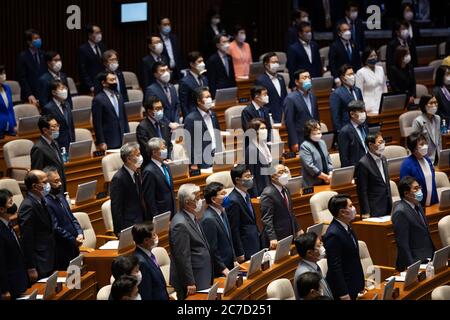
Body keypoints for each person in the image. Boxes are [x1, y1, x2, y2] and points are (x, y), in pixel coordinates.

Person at [169, 184, 215, 300]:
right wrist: (190, 282)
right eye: (197, 198)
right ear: (187, 202)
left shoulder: (191, 217)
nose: (200, 201)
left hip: (201, 274)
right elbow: (182, 257)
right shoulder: (180, 224)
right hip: (193, 280)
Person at [323, 194, 365, 300]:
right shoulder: (333, 234)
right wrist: (343, 293)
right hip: (344, 289)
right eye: (350, 206)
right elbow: (335, 267)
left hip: (353, 284)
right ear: (342, 212)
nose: (354, 208)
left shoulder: (347, 227)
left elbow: (353, 258)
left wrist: (360, 284)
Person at [19, 170, 56, 280]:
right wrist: (31, 267)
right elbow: (27, 239)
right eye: (44, 182)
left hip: (49, 255)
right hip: (40, 260)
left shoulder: (41, 200)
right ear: (35, 186)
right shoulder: (28, 207)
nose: (47, 185)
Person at [44, 167, 83, 270]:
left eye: (59, 180)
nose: (60, 184)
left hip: (74, 245)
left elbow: (72, 218)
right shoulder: (46, 203)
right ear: (47, 184)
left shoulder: (61, 197)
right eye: (56, 181)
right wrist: (72, 239)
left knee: (77, 279)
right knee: (68, 281)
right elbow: (56, 227)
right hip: (62, 248)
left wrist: (80, 233)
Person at [392, 176, 435, 271]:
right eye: (415, 188)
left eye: (419, 187)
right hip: (415, 261)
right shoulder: (400, 212)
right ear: (406, 193)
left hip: (427, 257)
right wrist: (412, 267)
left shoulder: (418, 205)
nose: (419, 190)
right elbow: (402, 243)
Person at [260, 164, 302, 249]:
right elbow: (267, 219)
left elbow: (291, 212)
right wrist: (272, 238)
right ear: (272, 177)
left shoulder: (286, 189)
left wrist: (298, 229)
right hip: (278, 236)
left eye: (285, 171)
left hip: (290, 232)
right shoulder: (267, 194)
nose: (285, 174)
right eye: (280, 172)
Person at [110, 143, 147, 234]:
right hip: (128, 225)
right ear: (128, 159)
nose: (140, 157)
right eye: (137, 155)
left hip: (140, 221)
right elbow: (116, 208)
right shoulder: (118, 178)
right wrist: (120, 231)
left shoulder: (136, 173)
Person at [226, 165, 261, 262]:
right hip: (245, 247)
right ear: (237, 180)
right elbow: (234, 229)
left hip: (254, 240)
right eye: (247, 176)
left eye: (251, 176)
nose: (250, 179)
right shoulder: (233, 200)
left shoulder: (246, 194)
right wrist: (239, 252)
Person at [201, 182, 236, 276]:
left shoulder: (222, 211)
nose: (226, 196)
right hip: (220, 270)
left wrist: (234, 260)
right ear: (213, 199)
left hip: (229, 264)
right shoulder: (208, 219)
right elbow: (212, 249)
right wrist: (222, 268)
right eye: (223, 194)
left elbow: (229, 239)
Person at [0, 189, 28, 300]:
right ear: (1, 209)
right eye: (10, 202)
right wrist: (4, 289)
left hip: (18, 280)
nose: (14, 205)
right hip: (9, 286)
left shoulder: (8, 224)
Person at [355, 132, 392, 217]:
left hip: (388, 205)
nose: (383, 144)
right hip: (374, 208)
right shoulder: (363, 163)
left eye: (383, 141)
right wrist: (366, 212)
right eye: (380, 142)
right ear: (371, 145)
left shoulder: (383, 158)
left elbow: (386, 184)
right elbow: (362, 190)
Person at [184, 87, 221, 169]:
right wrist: (194, 164)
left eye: (210, 96)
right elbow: (189, 143)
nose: (210, 99)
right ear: (199, 101)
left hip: (217, 156)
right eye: (207, 97)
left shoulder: (213, 115)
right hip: (203, 160)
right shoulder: (191, 119)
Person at [92, 71, 130, 151]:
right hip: (109, 139)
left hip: (123, 137)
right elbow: (97, 123)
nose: (115, 82)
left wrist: (127, 135)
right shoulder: (98, 99)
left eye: (115, 79)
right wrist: (101, 141)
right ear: (104, 83)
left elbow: (124, 117)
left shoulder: (119, 95)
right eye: (111, 80)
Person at [132, 223, 169, 300]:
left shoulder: (148, 254)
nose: (156, 237)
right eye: (154, 235)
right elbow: (146, 292)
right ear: (146, 240)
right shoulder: (141, 262)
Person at [284, 69, 320, 151]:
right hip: (300, 139)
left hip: (314, 137)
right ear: (297, 82)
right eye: (304, 78)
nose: (308, 80)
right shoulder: (290, 99)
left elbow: (316, 117)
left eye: (309, 77)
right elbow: (289, 122)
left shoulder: (313, 96)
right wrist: (294, 142)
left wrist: (318, 133)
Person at [400, 132, 438, 207]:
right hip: (418, 205)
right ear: (414, 149)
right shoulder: (407, 165)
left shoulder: (427, 160)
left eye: (425, 143)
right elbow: (405, 189)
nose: (425, 146)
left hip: (433, 202)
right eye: (421, 144)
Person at [31, 115, 67, 192]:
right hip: (50, 190)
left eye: (57, 125)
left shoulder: (55, 143)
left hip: (60, 185)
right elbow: (37, 174)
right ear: (45, 130)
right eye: (54, 126)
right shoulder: (38, 148)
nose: (57, 128)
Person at [142, 138, 176, 219]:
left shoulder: (166, 166)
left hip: (172, 210)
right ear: (154, 152)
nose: (166, 150)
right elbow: (149, 198)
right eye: (163, 148)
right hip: (160, 214)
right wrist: (156, 217)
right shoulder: (149, 171)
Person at [294, 232, 333, 299]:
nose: (322, 246)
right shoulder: (304, 274)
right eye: (318, 245)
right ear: (310, 253)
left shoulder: (314, 265)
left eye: (321, 243)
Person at [137, 96, 173, 166]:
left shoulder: (164, 124)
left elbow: (169, 144)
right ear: (149, 111)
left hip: (166, 162)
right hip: (152, 164)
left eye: (161, 108)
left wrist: (168, 157)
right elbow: (146, 150)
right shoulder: (142, 127)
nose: (161, 111)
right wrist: (160, 160)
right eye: (157, 108)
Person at [287, 21, 322, 89]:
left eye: (310, 31)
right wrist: (294, 85)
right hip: (301, 82)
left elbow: (318, 64)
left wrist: (319, 80)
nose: (309, 34)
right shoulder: (293, 48)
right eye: (306, 32)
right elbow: (292, 68)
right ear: (300, 34)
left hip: (315, 80)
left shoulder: (314, 45)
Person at [42, 80, 75, 151]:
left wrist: (73, 140)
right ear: (54, 92)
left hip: (71, 140)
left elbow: (71, 125)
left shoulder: (67, 104)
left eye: (65, 88)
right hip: (58, 143)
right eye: (61, 88)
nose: (65, 90)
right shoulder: (48, 108)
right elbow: (49, 129)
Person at [16, 29, 47, 105]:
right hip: (30, 95)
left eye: (39, 38)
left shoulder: (43, 54)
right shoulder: (22, 57)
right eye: (35, 39)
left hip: (43, 94)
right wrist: (29, 94)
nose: (39, 40)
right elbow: (22, 78)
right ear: (29, 42)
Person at [144, 62, 180, 126]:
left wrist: (176, 122)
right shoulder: (151, 90)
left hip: (175, 125)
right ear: (155, 74)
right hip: (161, 125)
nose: (166, 73)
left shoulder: (172, 87)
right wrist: (169, 124)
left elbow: (176, 107)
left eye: (167, 70)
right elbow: (154, 111)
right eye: (162, 71)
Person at [255, 52, 288, 123]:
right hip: (270, 117)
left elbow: (285, 97)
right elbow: (261, 102)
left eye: (277, 62)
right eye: (273, 62)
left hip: (284, 116)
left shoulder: (281, 78)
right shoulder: (260, 80)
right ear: (266, 65)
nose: (276, 64)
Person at [330, 64, 363, 132]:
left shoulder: (357, 90)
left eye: (353, 74)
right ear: (342, 78)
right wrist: (341, 133)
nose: (353, 76)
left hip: (360, 127)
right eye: (350, 74)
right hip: (347, 129)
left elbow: (362, 109)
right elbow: (335, 118)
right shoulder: (336, 94)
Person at [300, 120, 333, 187]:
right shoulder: (304, 146)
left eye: (319, 129)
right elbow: (310, 166)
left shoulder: (322, 142)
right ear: (308, 132)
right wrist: (326, 177)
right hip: (313, 183)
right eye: (315, 129)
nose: (318, 131)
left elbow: (328, 160)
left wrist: (330, 173)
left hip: (327, 180)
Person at [355, 47, 388, 114]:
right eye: (371, 56)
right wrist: (362, 108)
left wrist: (386, 101)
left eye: (375, 55)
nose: (374, 58)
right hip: (368, 106)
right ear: (365, 59)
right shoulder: (360, 72)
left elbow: (384, 87)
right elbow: (358, 93)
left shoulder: (380, 69)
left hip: (382, 104)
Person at [245, 119, 272, 197]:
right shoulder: (251, 150)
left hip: (268, 187)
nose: (265, 130)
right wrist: (256, 196)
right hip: (260, 192)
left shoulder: (264, 146)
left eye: (265, 128)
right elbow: (251, 175)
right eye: (262, 128)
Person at [338, 100, 368, 167]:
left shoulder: (364, 127)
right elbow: (344, 158)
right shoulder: (345, 131)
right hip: (356, 169)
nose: (364, 114)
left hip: (368, 165)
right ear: (352, 114)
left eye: (364, 111)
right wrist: (348, 175)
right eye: (361, 111)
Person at [412, 95, 442, 164]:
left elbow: (439, 140)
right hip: (425, 159)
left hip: (438, 157)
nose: (434, 105)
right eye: (431, 103)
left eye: (435, 102)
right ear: (424, 106)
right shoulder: (418, 121)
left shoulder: (438, 118)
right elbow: (414, 143)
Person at [206, 33, 236, 98]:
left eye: (228, 41)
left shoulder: (230, 57)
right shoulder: (212, 60)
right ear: (217, 45)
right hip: (219, 93)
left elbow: (232, 77)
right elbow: (211, 81)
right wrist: (214, 97)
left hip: (231, 91)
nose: (227, 44)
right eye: (224, 42)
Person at [178, 51, 209, 117]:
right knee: (198, 128)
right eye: (199, 61)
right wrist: (189, 119)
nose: (203, 64)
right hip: (194, 116)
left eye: (202, 61)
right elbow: (184, 105)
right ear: (192, 64)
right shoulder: (185, 82)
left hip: (206, 113)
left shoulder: (204, 78)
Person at [78, 24, 106, 94]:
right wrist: (90, 86)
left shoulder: (102, 46)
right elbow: (82, 70)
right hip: (90, 87)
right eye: (97, 33)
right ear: (90, 35)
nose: (100, 35)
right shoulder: (83, 49)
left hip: (102, 84)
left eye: (100, 32)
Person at [0, 65, 17, 138]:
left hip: (10, 127)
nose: (4, 75)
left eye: (4, 73)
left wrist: (14, 124)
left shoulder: (7, 88)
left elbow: (10, 109)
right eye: (1, 74)